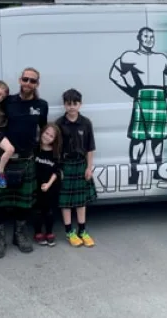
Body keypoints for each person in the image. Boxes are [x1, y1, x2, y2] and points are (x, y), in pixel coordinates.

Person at [0, 67, 48, 258]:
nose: (28, 83)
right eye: (26, 79)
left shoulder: (41, 105)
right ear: (20, 80)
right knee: (0, 204)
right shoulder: (7, 101)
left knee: (24, 204)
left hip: (26, 159)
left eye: (33, 81)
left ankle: (19, 235)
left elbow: (43, 129)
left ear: (37, 84)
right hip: (4, 159)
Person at [109, 26, 167, 183]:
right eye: (146, 36)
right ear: (139, 38)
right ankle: (134, 173)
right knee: (138, 138)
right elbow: (114, 73)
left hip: (159, 97)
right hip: (142, 96)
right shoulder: (130, 56)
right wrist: (130, 90)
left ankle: (157, 171)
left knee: (158, 138)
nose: (149, 40)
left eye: (152, 37)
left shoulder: (161, 58)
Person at [56, 88, 97, 248]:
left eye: (75, 104)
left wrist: (89, 167)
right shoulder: (59, 123)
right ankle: (69, 232)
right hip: (65, 165)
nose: (72, 107)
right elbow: (56, 149)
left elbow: (90, 148)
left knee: (81, 202)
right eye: (68, 104)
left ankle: (82, 231)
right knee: (65, 202)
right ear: (64, 105)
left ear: (80, 104)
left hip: (81, 165)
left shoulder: (86, 123)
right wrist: (58, 168)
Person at [33, 123, 63, 247]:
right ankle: (38, 232)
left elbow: (56, 171)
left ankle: (49, 232)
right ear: (42, 132)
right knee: (37, 211)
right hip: (36, 185)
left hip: (51, 186)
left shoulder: (55, 153)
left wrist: (48, 184)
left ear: (55, 139)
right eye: (46, 133)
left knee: (49, 211)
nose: (47, 137)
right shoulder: (35, 149)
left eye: (51, 136)